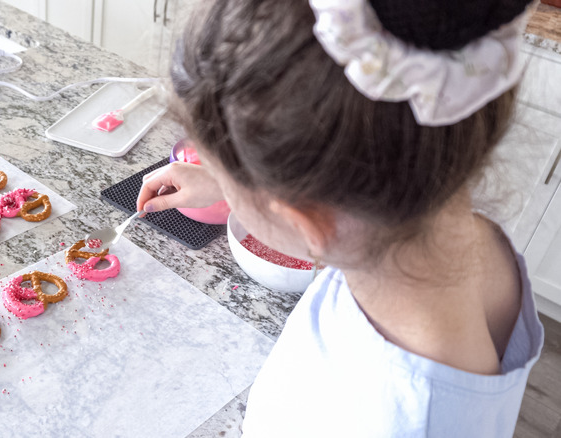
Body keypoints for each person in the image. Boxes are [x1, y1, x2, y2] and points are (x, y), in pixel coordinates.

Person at [136, 0, 544, 436]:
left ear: (309, 220)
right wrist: (239, 187)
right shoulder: (436, 233)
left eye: (227, 173)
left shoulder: (405, 419)